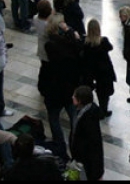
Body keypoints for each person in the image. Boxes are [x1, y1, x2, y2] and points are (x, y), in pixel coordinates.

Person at [39, 15, 82, 162]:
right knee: (73, 116)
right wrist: (70, 32)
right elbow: (76, 49)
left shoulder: (50, 45)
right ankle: (75, 143)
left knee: (54, 118)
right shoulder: (66, 44)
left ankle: (61, 146)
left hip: (55, 90)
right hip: (68, 88)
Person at [82, 19, 117, 118]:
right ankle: (103, 110)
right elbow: (110, 47)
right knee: (104, 94)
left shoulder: (85, 42)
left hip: (91, 72)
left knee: (93, 92)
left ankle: (96, 111)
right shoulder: (103, 41)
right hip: (104, 72)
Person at [69, 85, 105, 181]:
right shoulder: (78, 111)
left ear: (80, 100)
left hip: (86, 164)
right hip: (78, 159)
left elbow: (95, 148)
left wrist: (97, 173)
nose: (72, 97)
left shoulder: (89, 120)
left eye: (74, 96)